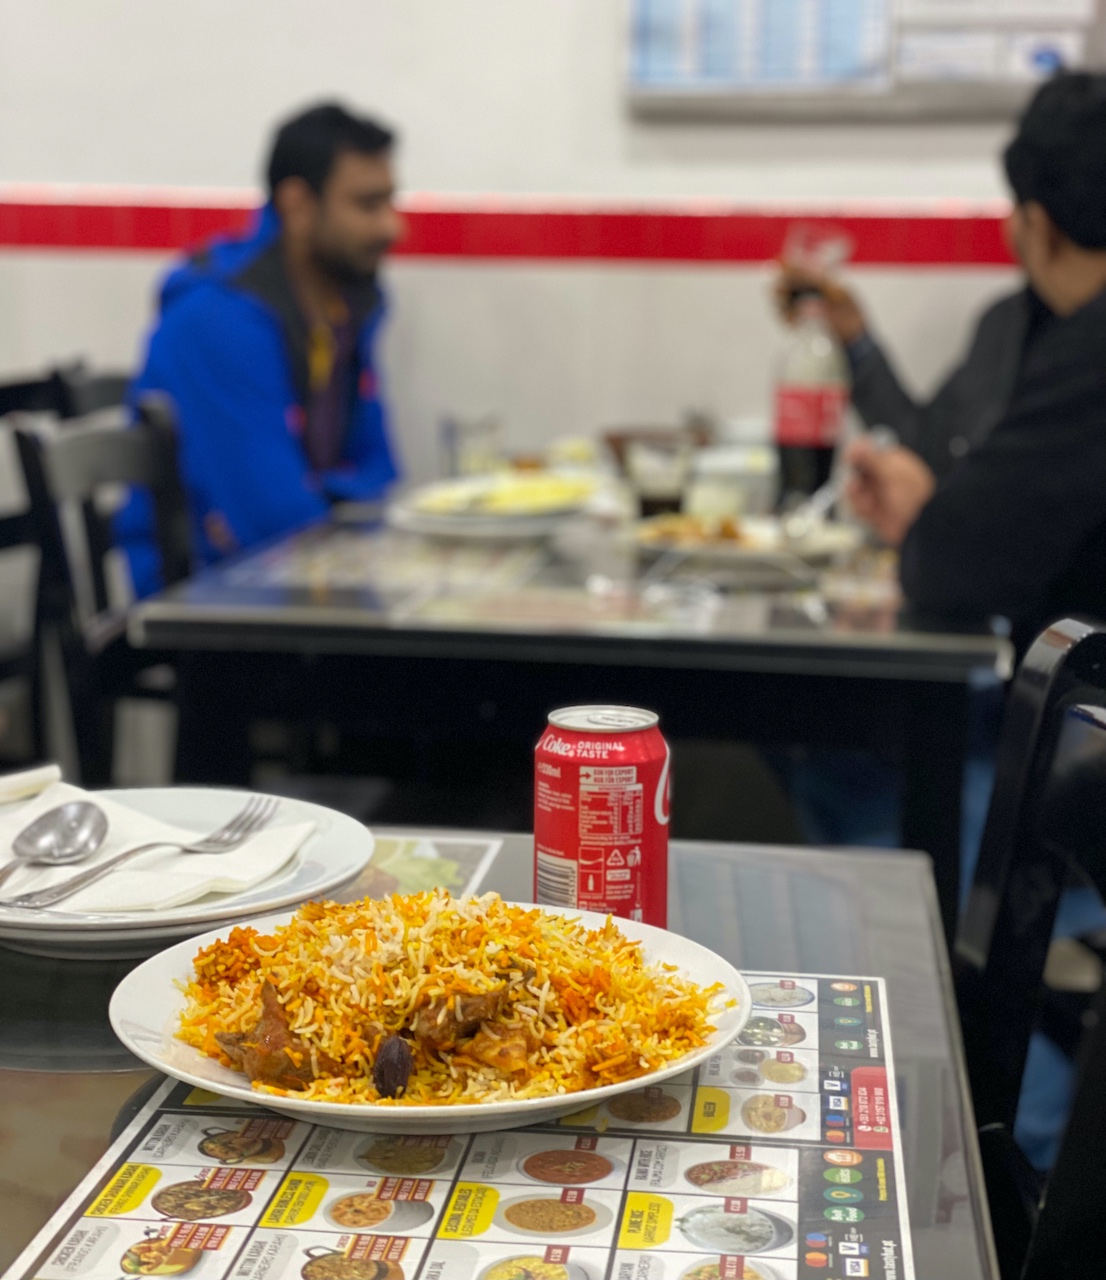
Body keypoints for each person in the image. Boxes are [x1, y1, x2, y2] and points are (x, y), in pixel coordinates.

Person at [845, 72, 1106, 654]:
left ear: (1038, 228)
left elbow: (951, 562)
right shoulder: (1014, 325)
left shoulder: (1089, 350)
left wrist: (929, 526)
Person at [118, 103, 404, 595]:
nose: (391, 228)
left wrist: (321, 494)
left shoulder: (346, 308)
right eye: (366, 205)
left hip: (302, 593)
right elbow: (273, 523)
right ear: (297, 205)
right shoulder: (218, 321)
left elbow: (381, 474)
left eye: (390, 202)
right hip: (208, 616)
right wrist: (332, 496)